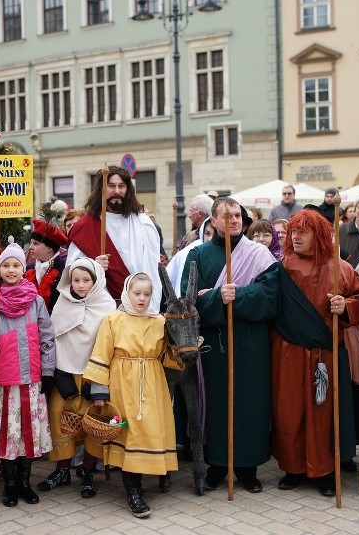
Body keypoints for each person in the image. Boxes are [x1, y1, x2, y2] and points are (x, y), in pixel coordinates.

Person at [182, 198, 276, 492]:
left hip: (251, 340)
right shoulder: (197, 256)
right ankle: (218, 465)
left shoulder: (259, 254)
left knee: (250, 402)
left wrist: (238, 296)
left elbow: (272, 295)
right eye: (227, 216)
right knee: (218, 404)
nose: (234, 220)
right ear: (213, 222)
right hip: (215, 343)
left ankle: (248, 468)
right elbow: (188, 301)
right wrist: (216, 298)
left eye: (237, 215)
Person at [271, 210, 359, 496]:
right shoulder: (282, 265)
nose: (295, 237)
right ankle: (293, 467)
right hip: (288, 351)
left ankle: (325, 470)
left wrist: (346, 306)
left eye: (303, 232)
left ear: (319, 235)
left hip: (326, 353)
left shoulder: (341, 269)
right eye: (293, 232)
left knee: (324, 412)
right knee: (289, 409)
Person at [84, 273, 178, 517]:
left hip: (152, 381)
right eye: (137, 293)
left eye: (147, 294)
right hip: (122, 383)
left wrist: (183, 346)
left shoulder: (159, 321)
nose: (142, 299)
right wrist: (99, 391)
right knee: (131, 434)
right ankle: (133, 491)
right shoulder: (113, 319)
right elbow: (101, 353)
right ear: (128, 292)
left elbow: (168, 358)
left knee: (149, 431)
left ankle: (153, 478)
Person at [0, 244, 55, 508]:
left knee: (28, 433)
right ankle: (9, 484)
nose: (11, 270)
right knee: (7, 434)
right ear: (0, 269)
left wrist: (48, 371)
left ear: (24, 268)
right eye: (6, 265)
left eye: (16, 265)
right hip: (3, 380)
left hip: (32, 378)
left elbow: (47, 338)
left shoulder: (35, 300)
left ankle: (25, 481)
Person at [39, 257, 114, 497]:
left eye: (86, 280)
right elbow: (54, 339)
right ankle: (62, 469)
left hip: (93, 373)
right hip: (64, 372)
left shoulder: (107, 306)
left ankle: (88, 472)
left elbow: (108, 346)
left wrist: (100, 383)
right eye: (76, 280)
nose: (80, 285)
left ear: (96, 280)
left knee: (94, 422)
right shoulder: (63, 302)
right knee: (59, 419)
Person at [66, 166, 162, 312]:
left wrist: (151, 309)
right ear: (100, 190)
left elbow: (152, 271)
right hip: (98, 308)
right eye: (111, 186)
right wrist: (92, 266)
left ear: (128, 190)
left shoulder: (144, 224)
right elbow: (71, 272)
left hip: (138, 307)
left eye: (121, 186)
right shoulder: (85, 227)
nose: (117, 191)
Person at [25, 219, 69, 313]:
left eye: (36, 243)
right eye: (31, 242)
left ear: (49, 248)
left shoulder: (64, 269)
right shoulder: (29, 268)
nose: (30, 247)